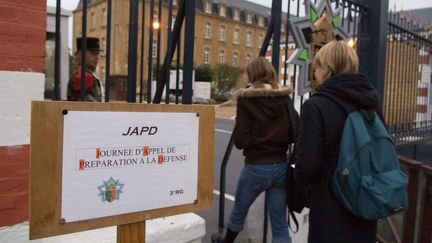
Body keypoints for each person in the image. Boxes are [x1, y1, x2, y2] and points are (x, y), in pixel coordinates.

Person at [295, 40, 378, 243]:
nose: (315, 74)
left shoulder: (315, 106)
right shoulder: (370, 104)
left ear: (327, 69)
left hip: (330, 209)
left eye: (317, 68)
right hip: (365, 203)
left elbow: (307, 166)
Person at [220, 57, 294, 243]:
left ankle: (226, 241)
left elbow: (240, 141)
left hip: (256, 167)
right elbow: (295, 132)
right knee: (279, 222)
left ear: (252, 75)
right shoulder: (284, 98)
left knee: (239, 211)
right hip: (281, 167)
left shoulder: (246, 100)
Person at [67, 37, 103, 102]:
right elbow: (88, 103)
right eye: (93, 53)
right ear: (81, 55)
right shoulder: (81, 75)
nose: (96, 57)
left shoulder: (89, 75)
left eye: (97, 54)